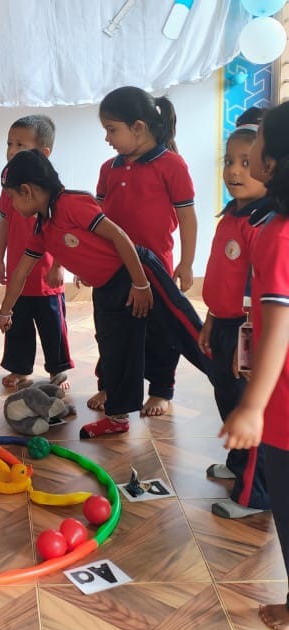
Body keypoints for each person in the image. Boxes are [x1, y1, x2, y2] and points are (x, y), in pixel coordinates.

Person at [0, 149, 153, 438]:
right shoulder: (43, 226)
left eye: (13, 197)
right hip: (106, 289)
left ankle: (231, 389)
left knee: (180, 335)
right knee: (112, 346)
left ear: (27, 191)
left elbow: (119, 237)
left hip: (132, 278)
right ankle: (118, 417)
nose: (12, 205)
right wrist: (5, 312)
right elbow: (19, 274)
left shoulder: (72, 203)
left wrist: (140, 283)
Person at [221, 103, 289, 630]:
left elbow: (279, 325)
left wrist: (252, 406)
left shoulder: (278, 234)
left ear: (272, 162)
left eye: (259, 139)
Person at [95, 85, 197, 416]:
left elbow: (187, 217)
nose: (107, 138)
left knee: (158, 331)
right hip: (112, 267)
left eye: (112, 130)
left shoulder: (172, 165)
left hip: (155, 267)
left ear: (138, 127)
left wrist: (186, 263)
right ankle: (111, 386)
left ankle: (161, 390)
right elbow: (96, 220)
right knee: (111, 331)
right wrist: (88, 262)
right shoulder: (108, 168)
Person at [199, 125, 273, 519]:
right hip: (225, 325)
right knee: (227, 398)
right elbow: (222, 278)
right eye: (229, 161)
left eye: (246, 162)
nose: (234, 170)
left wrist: (246, 345)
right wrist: (211, 317)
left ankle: (254, 494)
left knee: (247, 406)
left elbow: (258, 292)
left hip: (249, 331)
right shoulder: (231, 214)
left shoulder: (264, 223)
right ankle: (238, 464)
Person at [0, 115, 72, 391]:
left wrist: (58, 265)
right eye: (9, 144)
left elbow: (65, 233)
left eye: (20, 144)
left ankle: (58, 369)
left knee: (53, 327)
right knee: (18, 327)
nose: (12, 150)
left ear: (43, 152)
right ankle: (20, 368)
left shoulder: (55, 193)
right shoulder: (9, 188)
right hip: (18, 273)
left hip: (46, 278)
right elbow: (4, 225)